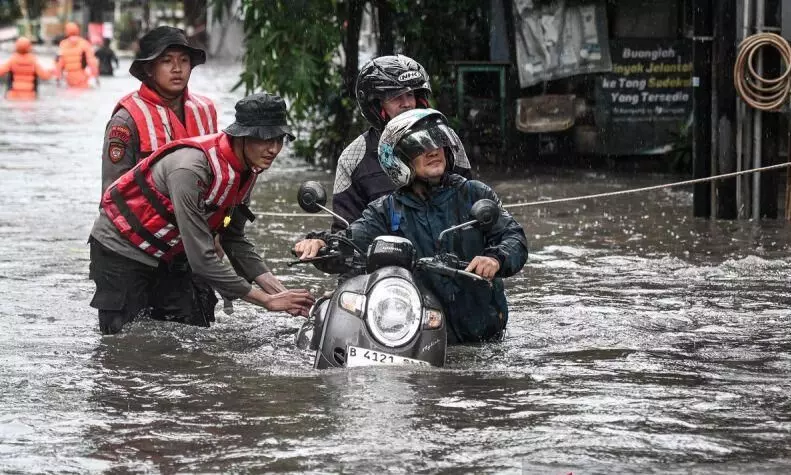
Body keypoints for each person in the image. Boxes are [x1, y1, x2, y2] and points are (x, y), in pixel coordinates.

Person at [88, 92, 316, 335]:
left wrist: (281, 293)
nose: (273, 149)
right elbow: (202, 260)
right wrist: (267, 302)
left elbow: (234, 239)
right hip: (120, 249)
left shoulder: (247, 170)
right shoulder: (191, 169)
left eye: (279, 139)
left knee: (192, 329)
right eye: (263, 138)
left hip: (169, 253)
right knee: (126, 340)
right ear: (240, 137)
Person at [294, 109, 527, 343]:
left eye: (439, 142)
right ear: (398, 159)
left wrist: (495, 259)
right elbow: (351, 242)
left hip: (484, 340)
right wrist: (321, 243)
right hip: (420, 334)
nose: (433, 151)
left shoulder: (475, 193)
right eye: (420, 147)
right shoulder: (385, 210)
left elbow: (513, 238)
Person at [331, 55, 472, 232]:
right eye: (395, 96)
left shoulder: (446, 138)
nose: (406, 104)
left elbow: (470, 200)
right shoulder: (353, 156)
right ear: (376, 105)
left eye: (410, 95)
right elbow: (344, 230)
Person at [100, 25, 217, 195]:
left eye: (184, 60)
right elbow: (113, 195)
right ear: (149, 69)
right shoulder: (126, 120)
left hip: (197, 215)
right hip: (149, 218)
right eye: (167, 61)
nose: (177, 68)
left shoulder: (205, 110)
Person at [55, 22, 99, 88]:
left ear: (66, 31)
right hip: (82, 78)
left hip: (69, 79)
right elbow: (92, 62)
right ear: (77, 30)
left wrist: (58, 78)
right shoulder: (84, 43)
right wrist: (96, 77)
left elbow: (59, 63)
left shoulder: (63, 44)